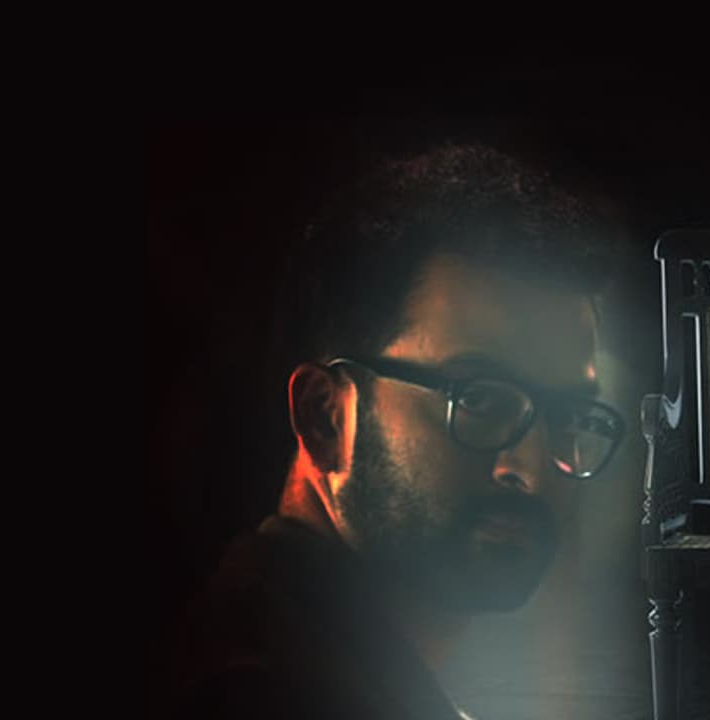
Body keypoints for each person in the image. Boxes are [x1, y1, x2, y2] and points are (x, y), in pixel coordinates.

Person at [169, 143, 626, 719]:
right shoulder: (255, 691)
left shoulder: (336, 668)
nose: (530, 472)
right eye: (479, 399)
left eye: (569, 416)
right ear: (325, 418)